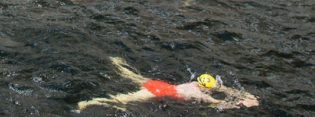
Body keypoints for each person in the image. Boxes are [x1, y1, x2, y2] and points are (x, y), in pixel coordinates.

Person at [76, 58, 259, 112]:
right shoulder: (199, 94)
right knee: (122, 100)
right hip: (158, 91)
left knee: (134, 76)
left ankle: (117, 63)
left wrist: (240, 94)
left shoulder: (196, 83)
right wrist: (240, 104)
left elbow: (220, 89)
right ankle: (89, 103)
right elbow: (218, 104)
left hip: (159, 84)